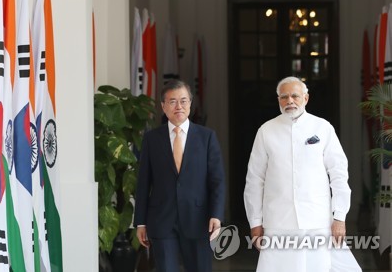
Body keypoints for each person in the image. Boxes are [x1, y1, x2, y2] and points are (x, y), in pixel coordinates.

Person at [243, 76, 361, 272]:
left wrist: (340, 216)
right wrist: (255, 222)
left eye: (295, 96)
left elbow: (339, 173)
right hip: (278, 222)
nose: (289, 101)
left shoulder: (322, 128)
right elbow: (254, 180)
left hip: (317, 219)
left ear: (306, 98)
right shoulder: (266, 131)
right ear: (278, 100)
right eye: (284, 97)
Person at [134, 79, 226, 272]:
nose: (179, 106)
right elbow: (143, 182)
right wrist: (140, 221)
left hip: (199, 220)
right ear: (163, 106)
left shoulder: (207, 137)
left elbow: (217, 180)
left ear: (190, 104)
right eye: (172, 101)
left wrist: (216, 215)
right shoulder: (152, 139)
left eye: (183, 101)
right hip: (162, 220)